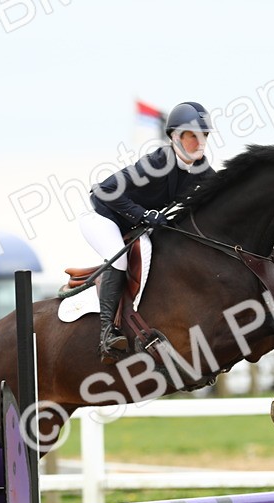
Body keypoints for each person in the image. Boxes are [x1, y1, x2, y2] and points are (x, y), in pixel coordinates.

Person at [81, 101, 217, 363]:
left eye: (205, 136)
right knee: (119, 258)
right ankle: (107, 335)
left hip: (134, 225)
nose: (200, 142)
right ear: (175, 137)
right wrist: (143, 215)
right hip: (102, 217)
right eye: (193, 136)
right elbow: (105, 192)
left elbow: (223, 191)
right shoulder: (156, 163)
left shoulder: (200, 168)